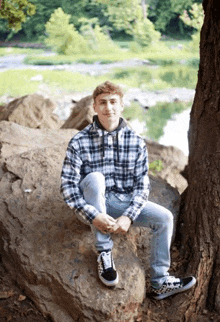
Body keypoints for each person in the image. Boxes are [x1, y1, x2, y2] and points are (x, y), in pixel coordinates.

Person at [60, 81, 196, 300]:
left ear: (122, 105)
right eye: (102, 102)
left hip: (121, 202)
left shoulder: (136, 142)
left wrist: (128, 217)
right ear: (94, 107)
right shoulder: (79, 141)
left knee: (165, 218)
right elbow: (67, 185)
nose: (108, 107)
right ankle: (104, 252)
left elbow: (142, 187)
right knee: (95, 178)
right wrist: (94, 216)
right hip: (92, 202)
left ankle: (160, 282)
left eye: (113, 102)